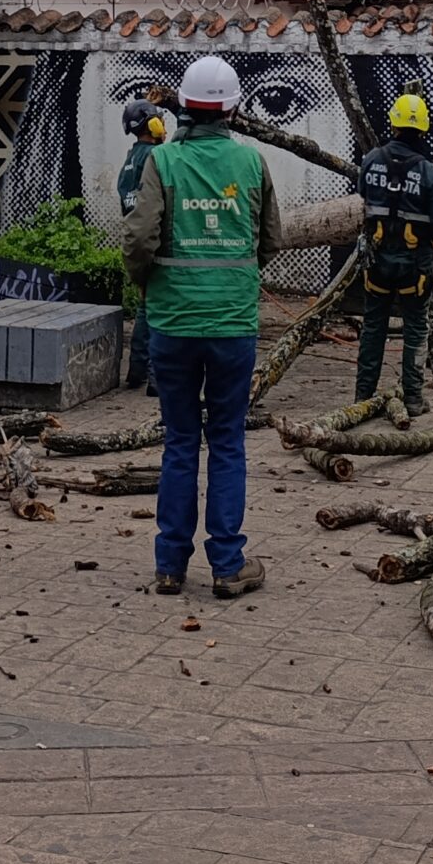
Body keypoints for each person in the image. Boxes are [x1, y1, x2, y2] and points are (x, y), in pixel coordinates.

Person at [124, 53, 281, 599]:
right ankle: (227, 564)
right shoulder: (253, 163)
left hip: (172, 324)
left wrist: (147, 283)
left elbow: (139, 239)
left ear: (185, 107)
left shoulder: (161, 164)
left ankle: (170, 566)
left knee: (180, 442)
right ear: (234, 109)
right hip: (233, 325)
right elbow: (271, 241)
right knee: (229, 443)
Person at [355, 92, 433, 416]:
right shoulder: (429, 172)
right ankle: (412, 398)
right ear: (423, 129)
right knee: (415, 329)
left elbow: (361, 199)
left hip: (377, 262)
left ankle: (363, 398)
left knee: (373, 328)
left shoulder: (371, 160)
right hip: (415, 266)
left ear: (394, 124)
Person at [116, 94, 175, 394]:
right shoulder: (156, 159)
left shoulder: (129, 161)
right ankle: (156, 378)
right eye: (159, 120)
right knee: (162, 310)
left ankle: (136, 372)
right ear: (150, 123)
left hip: (135, 242)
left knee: (145, 306)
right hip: (155, 241)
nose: (164, 125)